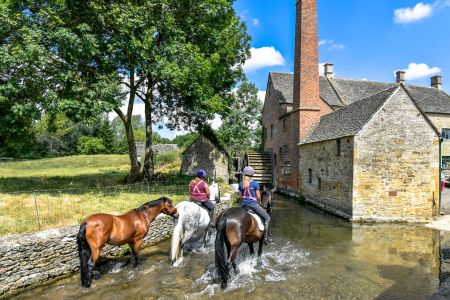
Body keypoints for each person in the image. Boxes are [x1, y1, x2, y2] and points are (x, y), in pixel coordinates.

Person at [239, 166, 273, 244]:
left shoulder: (241, 184)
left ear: (244, 174)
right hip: (253, 205)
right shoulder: (255, 184)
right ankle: (266, 238)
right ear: (252, 174)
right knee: (267, 218)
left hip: (244, 206)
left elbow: (240, 197)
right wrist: (259, 202)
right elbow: (258, 197)